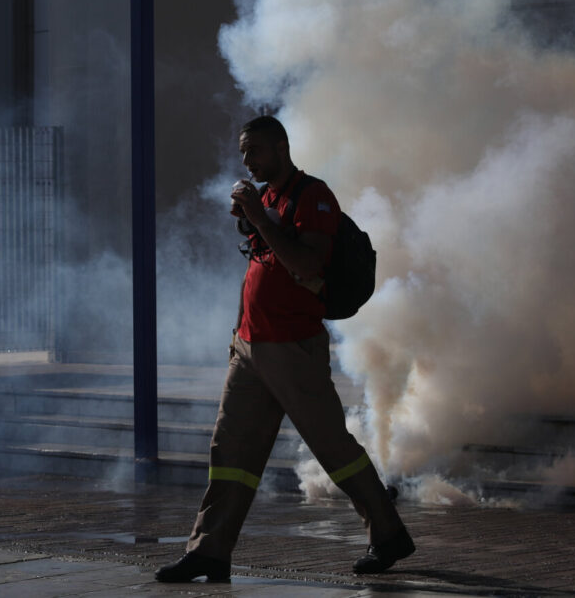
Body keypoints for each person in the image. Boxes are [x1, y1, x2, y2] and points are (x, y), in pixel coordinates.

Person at [155, 115, 414, 583]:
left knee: (334, 448)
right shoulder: (268, 199)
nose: (247, 160)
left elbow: (306, 261)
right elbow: (260, 272)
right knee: (230, 452)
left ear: (281, 147)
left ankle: (388, 533)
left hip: (293, 346)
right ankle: (209, 551)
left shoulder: (313, 197)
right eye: (242, 153)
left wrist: (259, 219)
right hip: (251, 347)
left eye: (255, 150)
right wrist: (237, 337)